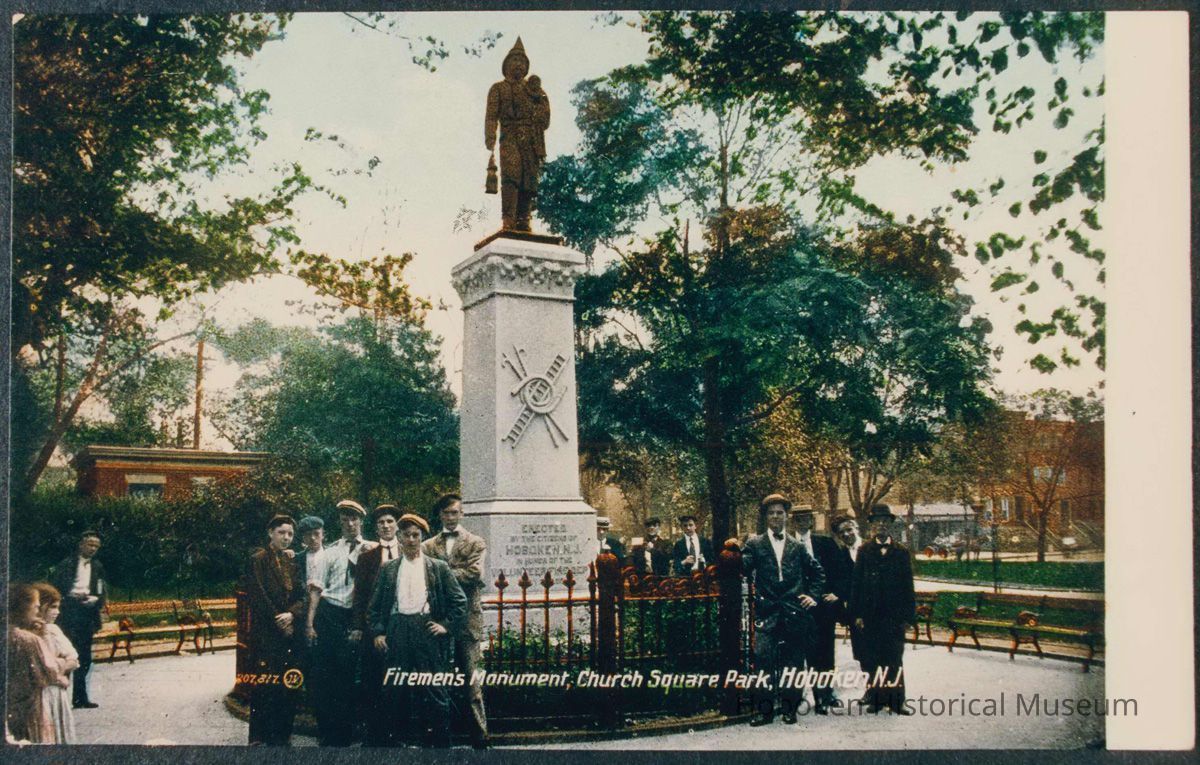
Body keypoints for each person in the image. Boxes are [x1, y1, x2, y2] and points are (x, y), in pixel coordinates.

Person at [368, 513, 467, 748]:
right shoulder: (390, 568)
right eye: (406, 535)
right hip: (398, 629)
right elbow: (374, 607)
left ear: (422, 537)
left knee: (433, 687)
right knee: (394, 686)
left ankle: (439, 745)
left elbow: (459, 602)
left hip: (426, 630)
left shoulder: (437, 568)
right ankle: (393, 742)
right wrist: (379, 632)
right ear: (399, 538)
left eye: (416, 535)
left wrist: (445, 625)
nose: (411, 540)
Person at [741, 494, 825, 725]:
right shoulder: (755, 544)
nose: (776, 516)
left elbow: (818, 573)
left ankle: (790, 709)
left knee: (794, 663)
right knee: (762, 660)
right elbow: (743, 566)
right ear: (766, 517)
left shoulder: (797, 546)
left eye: (780, 512)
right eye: (771, 513)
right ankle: (765, 711)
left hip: (793, 612)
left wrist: (812, 596)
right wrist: (737, 551)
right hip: (766, 613)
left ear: (786, 516)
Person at [423, 493, 488, 748]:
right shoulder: (428, 545)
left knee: (472, 680)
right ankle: (442, 736)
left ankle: (480, 736)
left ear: (462, 514)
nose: (450, 517)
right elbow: (425, 575)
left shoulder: (475, 542)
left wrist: (442, 573)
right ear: (440, 515)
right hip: (439, 618)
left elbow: (475, 573)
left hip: (467, 620)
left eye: (454, 513)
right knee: (439, 680)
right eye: (446, 513)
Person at [309, 499, 376, 746]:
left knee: (353, 676)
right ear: (339, 522)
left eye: (354, 519)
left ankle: (349, 732)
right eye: (345, 519)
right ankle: (329, 733)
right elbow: (316, 589)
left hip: (357, 617)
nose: (350, 524)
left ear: (361, 521)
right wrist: (310, 622)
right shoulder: (330, 552)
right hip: (331, 614)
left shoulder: (373, 549)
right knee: (328, 674)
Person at [850, 504, 916, 715]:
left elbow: (908, 586)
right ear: (871, 526)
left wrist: (908, 617)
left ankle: (898, 701)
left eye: (885, 521)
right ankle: (877, 699)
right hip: (871, 616)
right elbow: (857, 585)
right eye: (877, 521)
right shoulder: (864, 551)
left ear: (890, 525)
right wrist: (857, 614)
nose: (881, 525)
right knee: (874, 658)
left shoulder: (901, 552)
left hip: (894, 616)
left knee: (894, 658)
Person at [245, 514, 305, 745]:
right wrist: (278, 620)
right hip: (267, 635)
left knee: (288, 687)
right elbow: (257, 594)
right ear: (270, 533)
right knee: (265, 687)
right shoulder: (258, 559)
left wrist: (292, 615)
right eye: (281, 532)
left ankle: (282, 738)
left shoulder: (291, 561)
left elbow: (301, 595)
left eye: (290, 534)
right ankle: (260, 740)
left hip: (290, 634)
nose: (286, 537)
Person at [484, 37, 551, 232]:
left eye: (522, 62)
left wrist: (540, 100)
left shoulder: (534, 91)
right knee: (511, 176)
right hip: (509, 135)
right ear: (506, 65)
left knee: (528, 179)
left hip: (530, 138)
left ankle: (524, 218)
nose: (519, 65)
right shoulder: (498, 88)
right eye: (515, 61)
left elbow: (544, 119)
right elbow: (491, 115)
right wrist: (490, 135)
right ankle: (508, 218)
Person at [352, 504, 402, 746]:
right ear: (376, 527)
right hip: (374, 627)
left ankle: (396, 735)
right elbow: (360, 596)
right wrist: (362, 627)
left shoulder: (409, 551)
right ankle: (373, 736)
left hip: (402, 627)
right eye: (381, 522)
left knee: (398, 680)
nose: (385, 526)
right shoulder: (367, 557)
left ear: (397, 525)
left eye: (390, 521)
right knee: (373, 681)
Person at [791, 508, 843, 714]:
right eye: (798, 519)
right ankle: (796, 698)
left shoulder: (825, 544)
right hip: (796, 607)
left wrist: (836, 594)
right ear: (792, 522)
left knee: (824, 653)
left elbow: (840, 572)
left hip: (822, 609)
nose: (802, 522)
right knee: (796, 654)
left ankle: (825, 695)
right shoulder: (786, 544)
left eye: (806, 518)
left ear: (812, 521)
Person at [49, 531, 106, 709]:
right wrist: (72, 596)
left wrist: (96, 599)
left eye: (96, 546)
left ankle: (80, 697)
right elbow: (56, 589)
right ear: (81, 544)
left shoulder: (97, 566)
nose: (93, 549)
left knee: (85, 658)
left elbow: (101, 589)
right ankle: (61, 699)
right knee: (66, 656)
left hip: (87, 615)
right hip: (69, 614)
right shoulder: (66, 564)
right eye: (90, 544)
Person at [7, 583, 60, 743]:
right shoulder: (27, 640)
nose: (37, 611)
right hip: (29, 705)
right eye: (36, 607)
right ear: (24, 607)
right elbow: (50, 672)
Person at [33, 583, 78, 743]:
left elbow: (73, 659)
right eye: (52, 607)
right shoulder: (28, 633)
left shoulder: (53, 631)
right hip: (37, 694)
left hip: (54, 692)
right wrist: (57, 668)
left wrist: (57, 668)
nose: (57, 612)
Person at [293, 515, 325, 677]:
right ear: (303, 537)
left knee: (324, 656)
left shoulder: (331, 556)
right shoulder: (296, 559)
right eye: (308, 535)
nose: (312, 538)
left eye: (316, 534)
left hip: (326, 612)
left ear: (322, 534)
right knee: (303, 654)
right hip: (302, 612)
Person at [829, 515, 864, 663]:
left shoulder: (871, 549)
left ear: (856, 528)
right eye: (841, 532)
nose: (846, 534)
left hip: (877, 612)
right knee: (862, 657)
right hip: (855, 614)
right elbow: (841, 583)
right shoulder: (840, 554)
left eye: (849, 529)